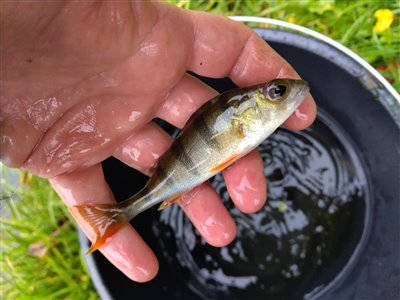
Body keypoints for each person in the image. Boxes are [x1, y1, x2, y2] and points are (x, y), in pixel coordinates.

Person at [1, 1, 316, 282]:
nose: (288, 93)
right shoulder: (241, 116)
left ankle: (116, 213)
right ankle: (121, 212)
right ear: (251, 109)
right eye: (278, 93)